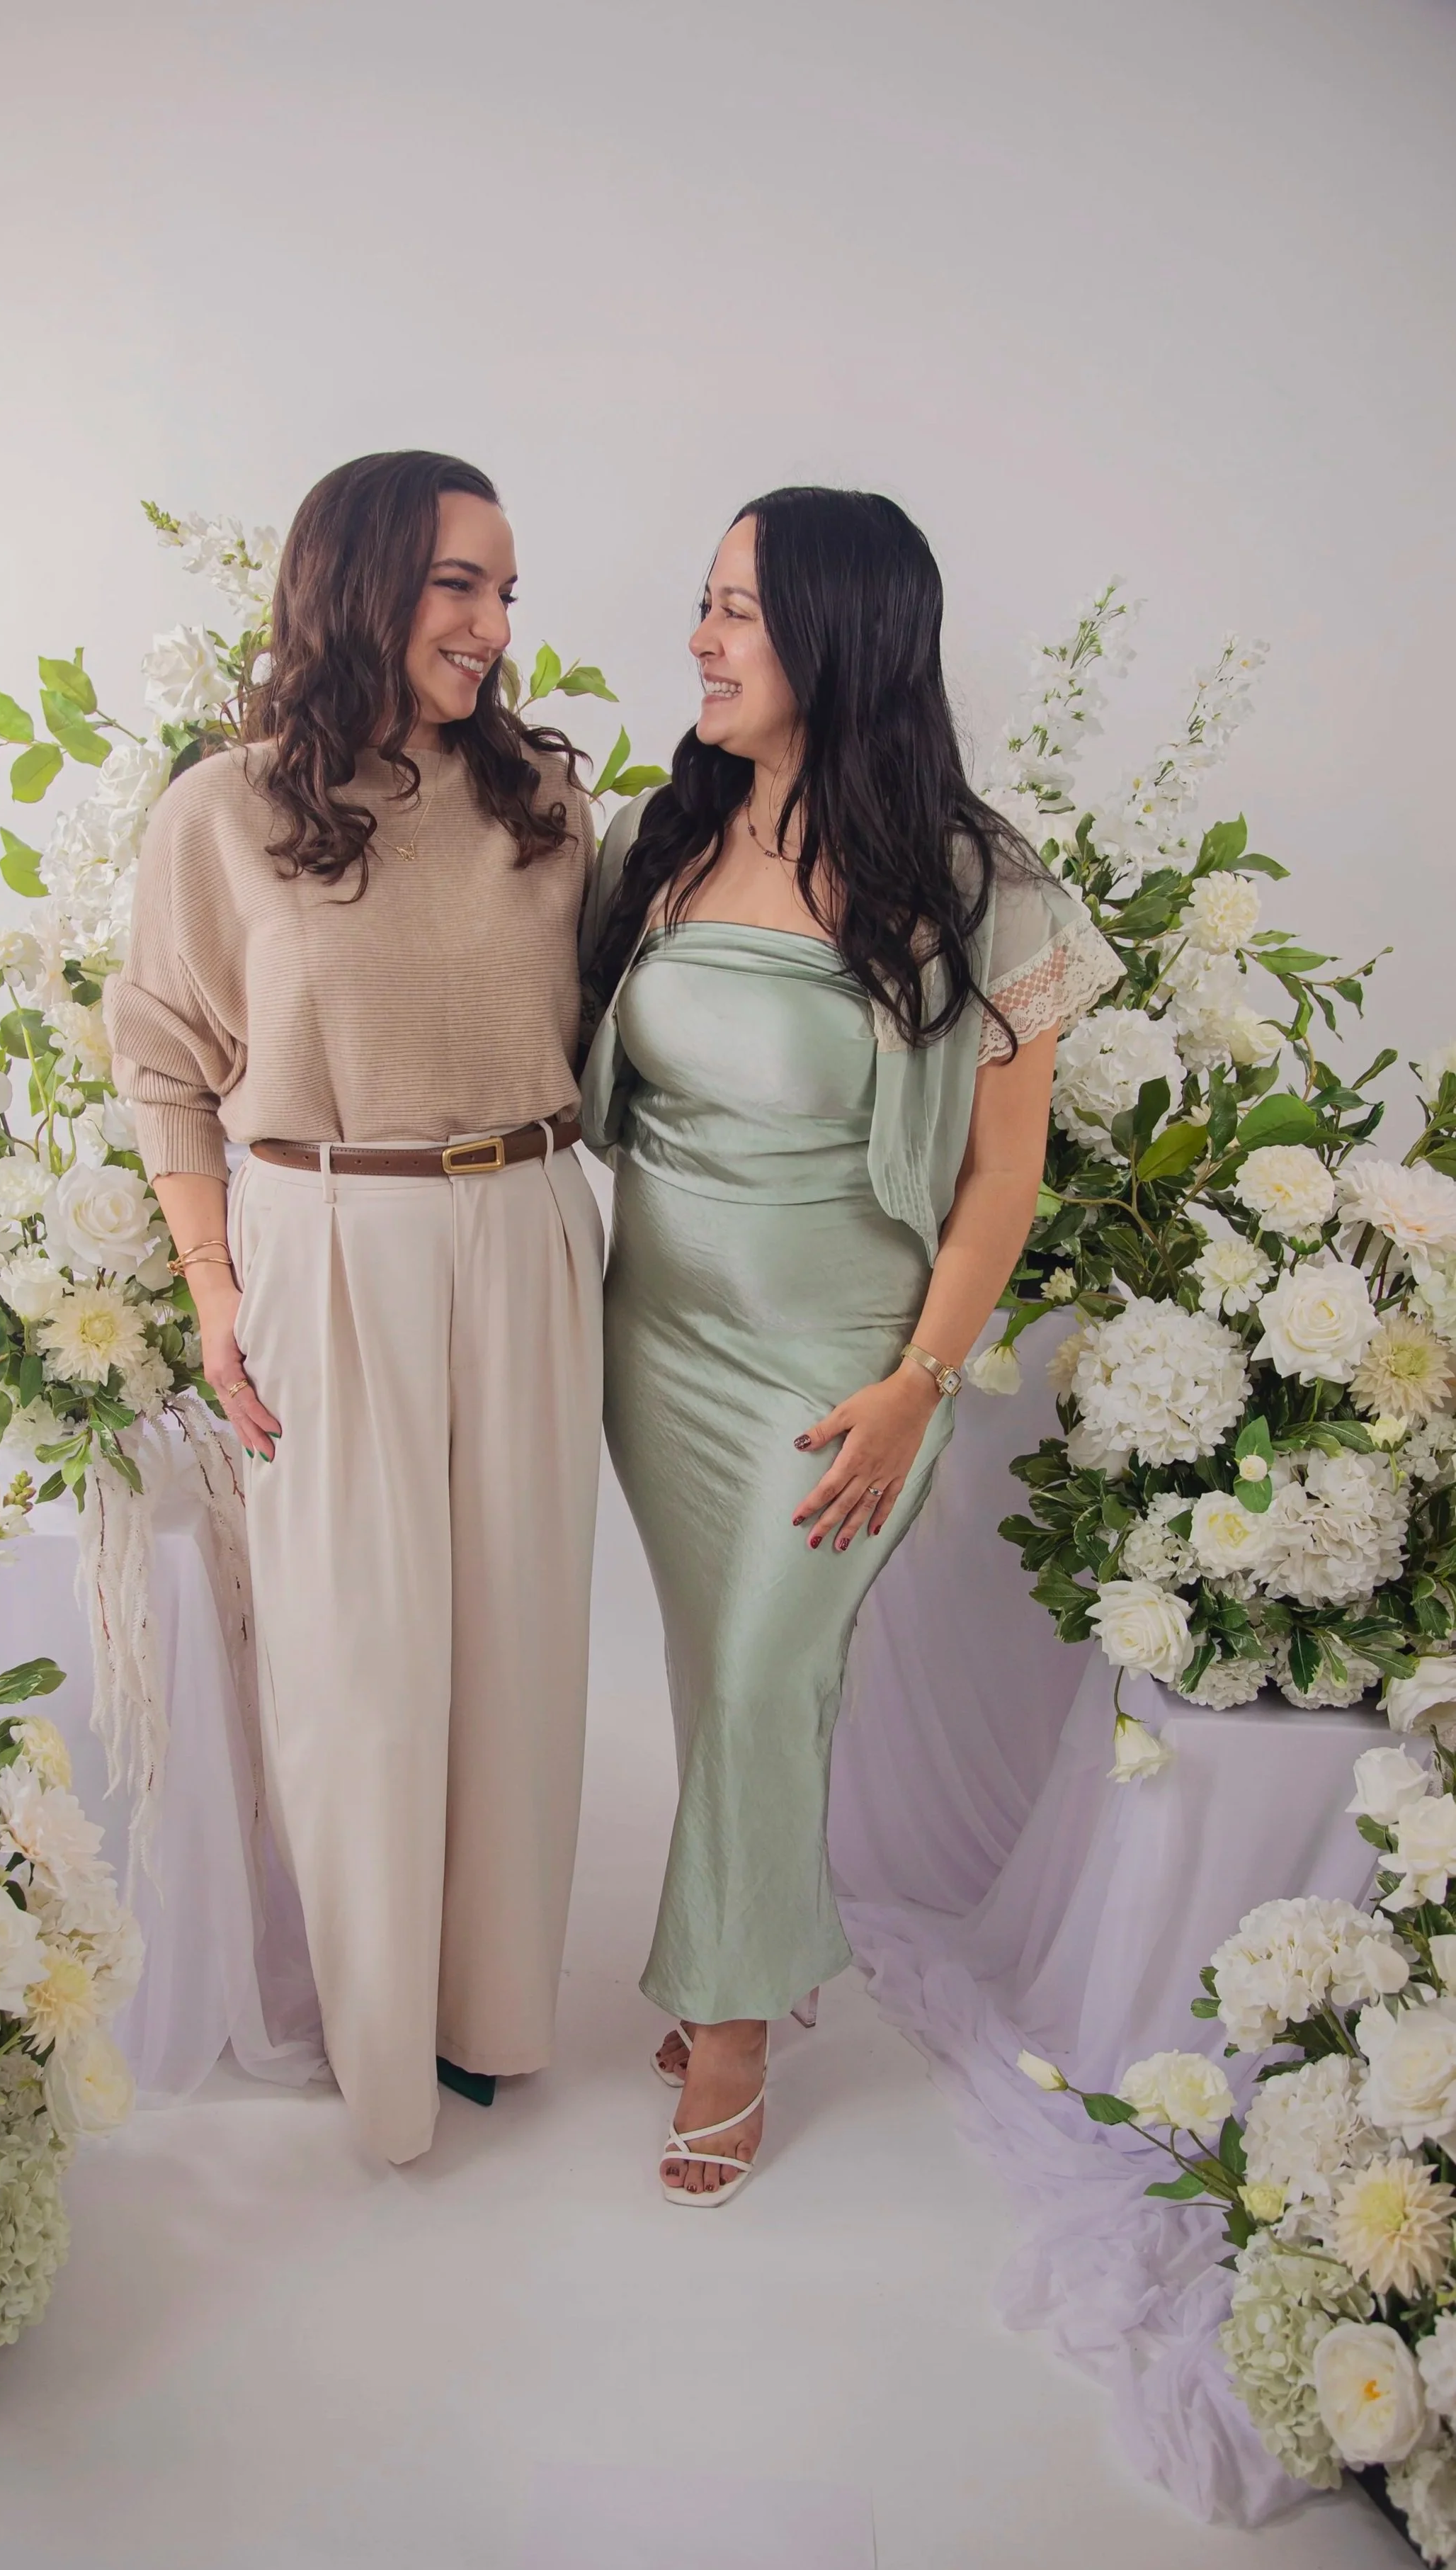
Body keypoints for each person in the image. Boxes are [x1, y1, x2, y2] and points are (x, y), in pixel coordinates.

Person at [581, 487, 1118, 2203]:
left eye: (738, 608)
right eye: (706, 601)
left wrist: (916, 1387)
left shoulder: (979, 885)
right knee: (719, 1671)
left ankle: (731, 2018)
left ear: (843, 634)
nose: (701, 639)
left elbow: (1001, 1176)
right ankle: (760, 1936)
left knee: (761, 1669)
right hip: (656, 1336)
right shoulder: (656, 842)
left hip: (847, 1365)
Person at [106, 450, 605, 2166]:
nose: (490, 623)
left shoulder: (542, 793)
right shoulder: (224, 811)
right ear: (362, 582)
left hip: (536, 1217)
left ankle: (494, 2018)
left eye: (507, 591)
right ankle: (383, 2050)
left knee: (523, 1638)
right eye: (459, 583)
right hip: (329, 1232)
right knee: (359, 1655)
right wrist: (212, 1287)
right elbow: (165, 1061)